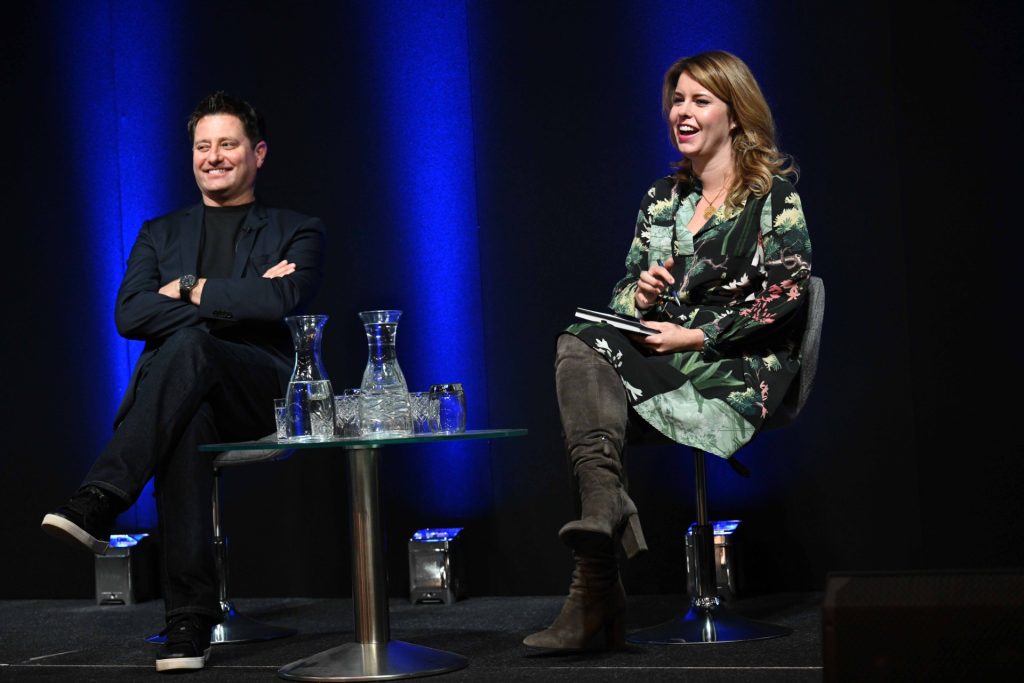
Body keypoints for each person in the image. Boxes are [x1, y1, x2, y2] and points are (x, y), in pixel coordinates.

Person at [524, 51, 812, 650]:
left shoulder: (771, 194)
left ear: (733, 115)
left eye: (699, 100)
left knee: (585, 348)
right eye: (677, 101)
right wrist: (642, 294)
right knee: (580, 336)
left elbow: (790, 292)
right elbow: (625, 288)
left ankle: (595, 586)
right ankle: (603, 515)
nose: (682, 112)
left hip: (734, 370)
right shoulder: (662, 197)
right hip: (667, 357)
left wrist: (700, 334)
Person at [41, 92, 326, 673]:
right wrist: (233, 296)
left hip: (261, 388)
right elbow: (130, 315)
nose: (213, 157)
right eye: (203, 146)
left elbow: (282, 299)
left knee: (191, 346)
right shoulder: (158, 233)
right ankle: (188, 623)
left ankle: (101, 498)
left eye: (227, 144)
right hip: (184, 393)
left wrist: (188, 289)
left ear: (258, 153)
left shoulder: (297, 230)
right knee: (186, 415)